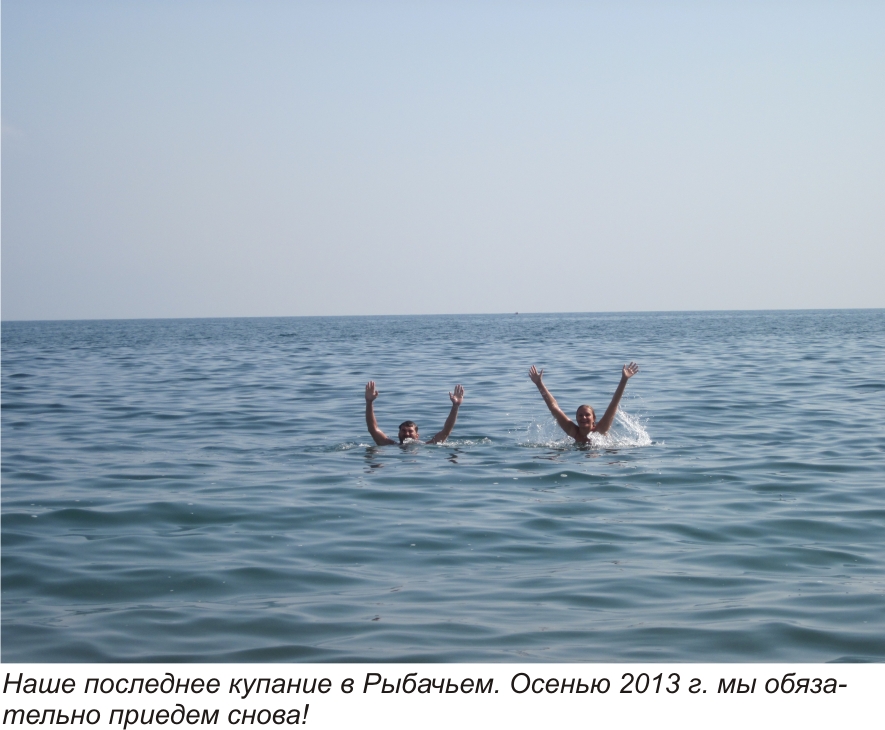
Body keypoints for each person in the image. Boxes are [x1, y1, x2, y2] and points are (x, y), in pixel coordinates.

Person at [529, 362, 639, 443]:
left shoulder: (600, 430)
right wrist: (539, 384)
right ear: (576, 418)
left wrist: (624, 380)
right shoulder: (573, 431)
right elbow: (554, 407)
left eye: (587, 415)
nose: (584, 418)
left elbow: (614, 404)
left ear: (593, 418)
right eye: (580, 415)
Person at [365, 381, 465, 445]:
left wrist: (455, 406)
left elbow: (446, 431)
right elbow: (373, 429)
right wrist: (369, 402)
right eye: (403, 431)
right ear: (398, 434)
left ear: (417, 435)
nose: (406, 434)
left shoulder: (426, 446)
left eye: (410, 431)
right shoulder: (390, 445)